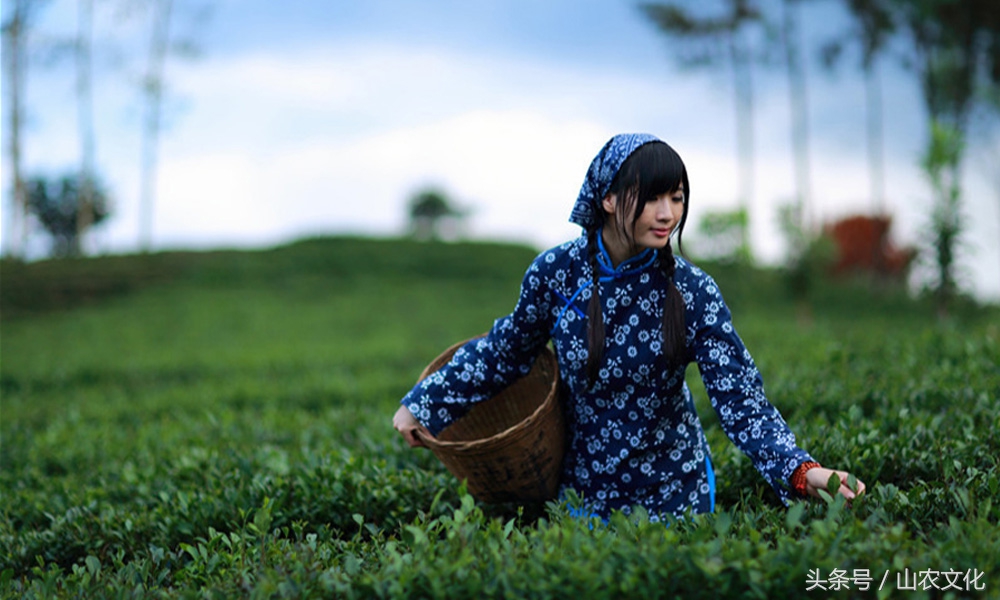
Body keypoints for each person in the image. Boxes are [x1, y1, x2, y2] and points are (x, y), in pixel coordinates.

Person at [393, 133, 865, 521]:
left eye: (676, 199)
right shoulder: (557, 274)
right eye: (652, 198)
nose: (667, 214)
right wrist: (427, 403)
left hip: (675, 492)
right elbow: (506, 351)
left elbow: (740, 399)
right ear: (610, 198)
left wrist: (803, 472)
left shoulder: (693, 291)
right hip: (581, 493)